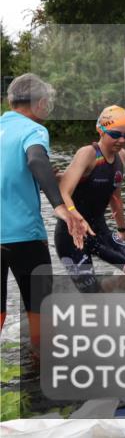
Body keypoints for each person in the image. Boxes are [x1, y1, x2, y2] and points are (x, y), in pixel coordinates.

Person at [1, 74, 91, 353]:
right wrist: (61, 207)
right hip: (23, 236)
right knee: (40, 310)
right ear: (39, 104)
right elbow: (36, 158)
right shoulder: (34, 130)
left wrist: (38, 179)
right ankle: (39, 378)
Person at [55, 105, 125, 292]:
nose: (121, 140)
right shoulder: (88, 154)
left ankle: (105, 288)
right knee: (93, 299)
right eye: (115, 134)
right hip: (72, 236)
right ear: (101, 131)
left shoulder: (121, 156)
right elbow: (64, 191)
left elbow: (115, 196)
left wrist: (122, 228)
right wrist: (74, 215)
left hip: (100, 231)